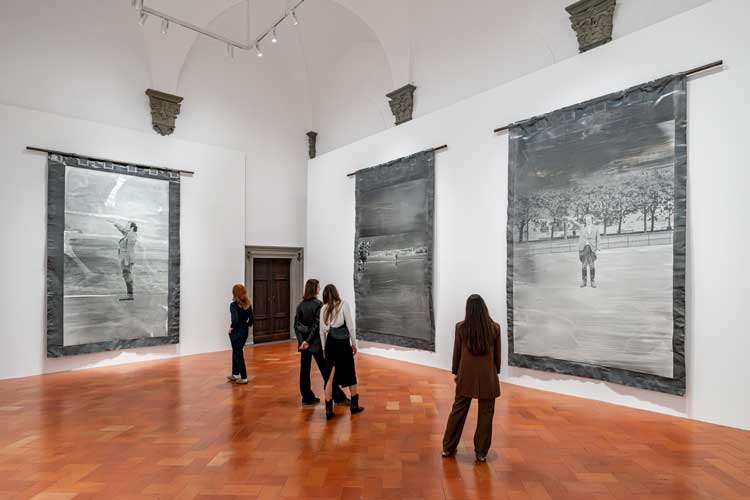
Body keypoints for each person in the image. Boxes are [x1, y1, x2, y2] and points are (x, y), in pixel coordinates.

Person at [442, 294, 501, 463]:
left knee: (458, 411)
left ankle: (448, 447)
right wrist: (495, 372)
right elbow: (497, 356)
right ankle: (481, 452)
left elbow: (457, 353)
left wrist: (455, 372)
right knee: (486, 414)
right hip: (487, 377)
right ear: (484, 308)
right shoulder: (495, 328)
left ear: (468, 309)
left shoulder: (461, 327)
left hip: (466, 375)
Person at [294, 279, 350, 406]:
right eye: (318, 287)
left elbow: (296, 326)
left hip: (304, 345)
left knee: (304, 371)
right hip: (316, 344)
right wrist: (308, 341)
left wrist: (302, 341)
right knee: (327, 371)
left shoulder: (300, 305)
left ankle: (307, 397)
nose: (320, 289)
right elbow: (317, 326)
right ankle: (338, 397)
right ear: (314, 289)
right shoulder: (319, 305)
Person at [320, 284, 365, 419]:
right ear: (336, 293)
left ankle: (328, 410)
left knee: (329, 377)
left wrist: (323, 349)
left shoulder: (323, 309)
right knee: (350, 372)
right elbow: (350, 327)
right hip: (343, 344)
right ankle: (354, 406)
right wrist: (354, 343)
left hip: (330, 345)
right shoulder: (343, 305)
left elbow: (321, 332)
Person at [227, 284, 254, 385]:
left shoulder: (233, 305)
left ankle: (244, 377)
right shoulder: (247, 304)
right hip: (244, 331)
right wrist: (246, 325)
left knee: (238, 353)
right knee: (236, 350)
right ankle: (235, 374)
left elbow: (235, 320)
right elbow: (251, 319)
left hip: (236, 332)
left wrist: (231, 328)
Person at [566, 214, 600, 288]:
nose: (588, 221)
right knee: (584, 266)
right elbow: (575, 223)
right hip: (583, 248)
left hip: (592, 248)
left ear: (592, 220)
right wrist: (570, 219)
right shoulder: (582, 227)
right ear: (585, 221)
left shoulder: (596, 228)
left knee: (592, 265)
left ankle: (592, 281)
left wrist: (598, 247)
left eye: (589, 220)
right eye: (587, 220)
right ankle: (584, 282)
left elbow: (598, 238)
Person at [114, 221, 138, 301]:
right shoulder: (129, 234)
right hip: (125, 258)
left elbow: (130, 249)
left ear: (131, 227)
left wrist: (127, 261)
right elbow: (122, 229)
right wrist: (116, 224)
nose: (125, 226)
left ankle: (130, 295)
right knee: (126, 275)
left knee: (127, 275)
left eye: (127, 225)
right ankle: (130, 294)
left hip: (126, 259)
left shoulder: (131, 235)